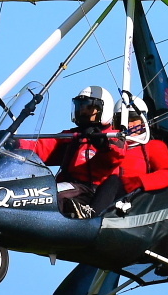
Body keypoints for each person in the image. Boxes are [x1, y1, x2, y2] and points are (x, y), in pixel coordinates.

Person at [18, 85, 125, 218]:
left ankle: (82, 218)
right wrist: (16, 144)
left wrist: (101, 142)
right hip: (71, 185)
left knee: (50, 195)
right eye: (80, 107)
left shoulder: (112, 136)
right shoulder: (71, 136)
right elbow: (42, 146)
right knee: (32, 194)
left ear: (103, 110)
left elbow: (116, 154)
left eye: (88, 108)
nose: (82, 112)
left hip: (92, 189)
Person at [91, 97, 168, 212]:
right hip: (103, 193)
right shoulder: (109, 147)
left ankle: (92, 216)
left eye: (134, 119)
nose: (129, 125)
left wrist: (138, 181)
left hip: (132, 197)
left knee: (114, 181)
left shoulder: (152, 146)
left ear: (143, 121)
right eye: (124, 120)